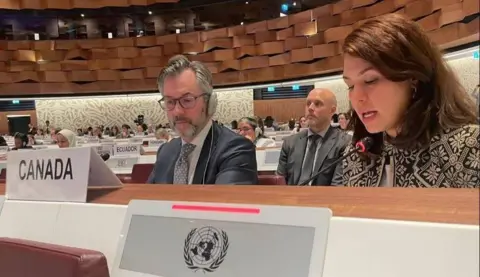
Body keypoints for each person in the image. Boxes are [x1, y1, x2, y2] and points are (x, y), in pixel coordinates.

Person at [342, 14, 479, 188]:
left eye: (370, 80)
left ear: (413, 78)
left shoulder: (468, 147)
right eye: (350, 86)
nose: (357, 97)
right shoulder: (356, 155)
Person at [147, 55, 258, 185]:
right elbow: (146, 200)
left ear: (209, 103)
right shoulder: (166, 151)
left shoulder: (236, 149)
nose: (177, 111)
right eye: (170, 102)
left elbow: (224, 203)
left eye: (187, 100)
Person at [277, 88, 351, 186]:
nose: (310, 108)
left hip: (323, 200)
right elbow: (279, 182)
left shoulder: (344, 143)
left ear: (332, 110)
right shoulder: (290, 142)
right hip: (290, 199)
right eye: (308, 103)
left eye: (317, 104)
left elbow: (336, 189)